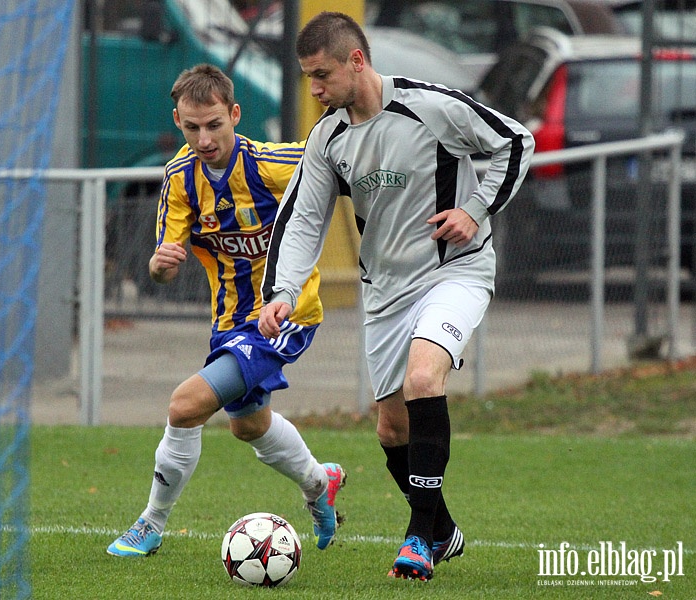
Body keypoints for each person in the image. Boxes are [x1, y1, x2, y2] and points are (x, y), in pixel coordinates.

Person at [259, 12, 534, 581]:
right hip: (384, 290)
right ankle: (443, 529)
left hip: (453, 271)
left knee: (423, 380)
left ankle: (417, 540)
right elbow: (303, 218)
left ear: (356, 61)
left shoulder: (431, 107)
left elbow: (515, 141)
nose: (314, 89)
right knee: (391, 429)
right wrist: (282, 291)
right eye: (307, 77)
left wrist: (472, 210)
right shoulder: (328, 137)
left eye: (321, 75)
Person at [107, 64, 346, 558]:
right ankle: (319, 483)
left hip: (286, 313)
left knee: (185, 404)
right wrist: (158, 264)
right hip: (230, 320)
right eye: (192, 127)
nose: (205, 138)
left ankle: (150, 524)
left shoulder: (273, 163)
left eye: (215, 124)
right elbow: (163, 272)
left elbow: (345, 168)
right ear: (178, 120)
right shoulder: (178, 179)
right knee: (249, 426)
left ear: (234, 114)